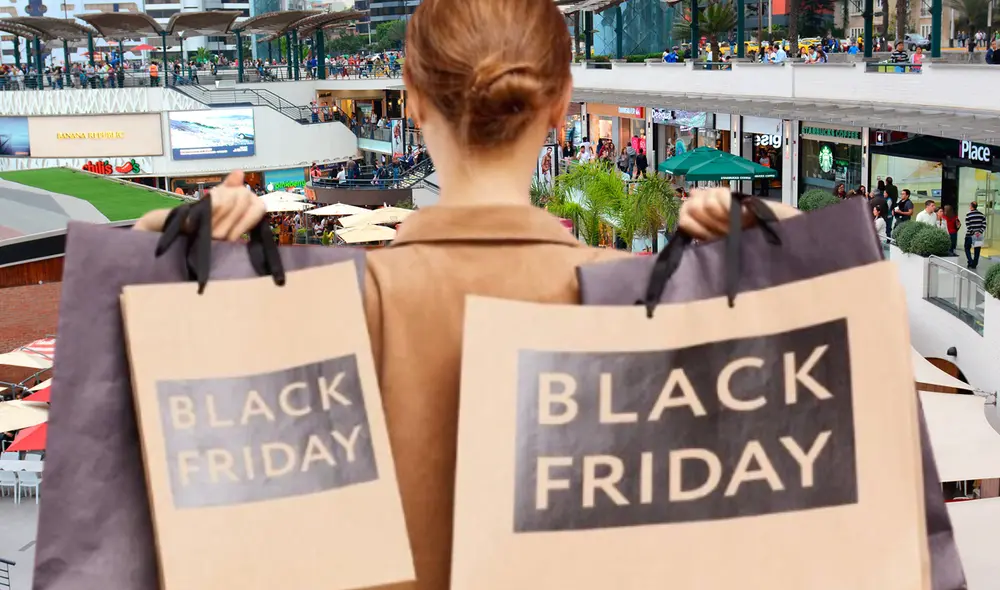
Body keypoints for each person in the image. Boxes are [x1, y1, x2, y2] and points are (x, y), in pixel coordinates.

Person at [133, 1, 798, 587]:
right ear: (562, 102)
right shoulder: (655, 308)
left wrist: (153, 249)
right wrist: (793, 252)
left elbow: (162, 513)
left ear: (412, 98)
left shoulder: (317, 315)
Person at [964, 201, 987, 269]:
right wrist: (979, 232)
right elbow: (984, 224)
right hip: (978, 236)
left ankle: (970, 261)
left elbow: (968, 225)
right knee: (977, 250)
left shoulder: (968, 215)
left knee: (967, 248)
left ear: (971, 206)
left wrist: (973, 232)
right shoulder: (982, 215)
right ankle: (974, 264)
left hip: (969, 235)